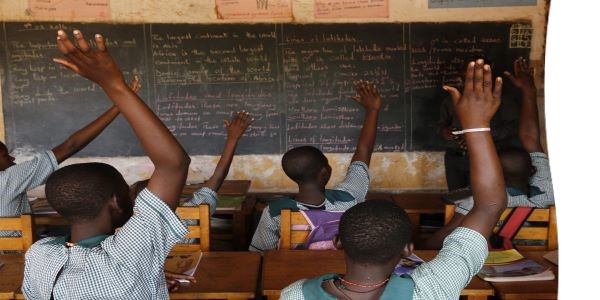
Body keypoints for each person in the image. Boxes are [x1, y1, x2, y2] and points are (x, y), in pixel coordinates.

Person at [281, 58, 508, 299]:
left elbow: (487, 208)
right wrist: (476, 124)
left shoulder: (295, 295)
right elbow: (488, 206)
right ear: (407, 250)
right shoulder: (432, 289)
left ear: (337, 242)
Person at [22, 29, 191, 299]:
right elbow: (173, 164)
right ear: (115, 201)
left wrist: (149, 275)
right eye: (126, 191)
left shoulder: (40, 255)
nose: (131, 197)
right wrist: (114, 85)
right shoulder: (130, 252)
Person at [422, 57, 554, 250]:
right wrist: (529, 89)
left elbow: (439, 240)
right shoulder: (548, 191)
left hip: (484, 265)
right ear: (533, 170)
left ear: (494, 173)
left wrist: (416, 247)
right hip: (536, 261)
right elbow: (530, 136)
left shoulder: (479, 203)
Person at [249, 80, 381, 252]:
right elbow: (363, 153)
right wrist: (372, 110)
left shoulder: (274, 212)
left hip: (292, 276)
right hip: (342, 273)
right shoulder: (350, 199)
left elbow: (260, 254)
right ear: (325, 173)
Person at [0, 76, 139, 238]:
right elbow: (72, 145)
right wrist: (119, 106)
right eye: (4, 155)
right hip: (16, 255)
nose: (12, 159)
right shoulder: (8, 179)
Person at [129, 111, 252, 292]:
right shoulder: (192, 208)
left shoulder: (129, 224)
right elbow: (217, 178)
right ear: (175, 195)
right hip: (191, 275)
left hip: (147, 282)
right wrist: (232, 139)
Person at [438, 56, 521, 191]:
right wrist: (445, 132)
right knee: (457, 200)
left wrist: (476, 136)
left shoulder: (502, 99)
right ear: (462, 74)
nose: (475, 76)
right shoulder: (452, 99)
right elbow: (441, 125)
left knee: (483, 197)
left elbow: (513, 127)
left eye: (481, 72)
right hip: (455, 159)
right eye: (469, 72)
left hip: (488, 158)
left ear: (489, 74)